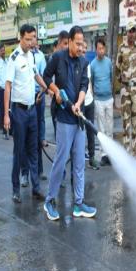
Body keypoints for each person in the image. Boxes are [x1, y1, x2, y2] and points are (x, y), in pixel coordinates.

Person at [43, 25, 97, 221]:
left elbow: (84, 85)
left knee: (79, 162)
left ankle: (79, 203)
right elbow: (46, 76)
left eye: (83, 43)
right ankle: (49, 201)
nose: (80, 47)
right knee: (60, 159)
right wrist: (56, 91)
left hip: (78, 117)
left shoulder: (83, 62)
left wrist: (78, 103)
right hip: (64, 119)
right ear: (70, 42)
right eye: (78, 43)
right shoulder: (58, 58)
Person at [3, 24, 48, 204]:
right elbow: (7, 86)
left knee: (34, 149)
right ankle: (16, 189)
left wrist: (46, 87)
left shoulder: (31, 57)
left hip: (32, 111)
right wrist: (6, 114)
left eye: (33, 39)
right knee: (19, 151)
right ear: (20, 38)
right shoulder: (13, 58)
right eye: (28, 39)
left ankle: (36, 188)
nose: (31, 42)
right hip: (18, 111)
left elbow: (36, 74)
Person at [115, 22, 136, 157]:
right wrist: (123, 83)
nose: (132, 33)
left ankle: (135, 152)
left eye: (133, 31)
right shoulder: (121, 48)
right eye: (129, 31)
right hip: (125, 89)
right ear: (126, 33)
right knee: (126, 121)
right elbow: (117, 68)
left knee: (135, 121)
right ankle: (126, 151)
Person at [90, 38, 113, 166]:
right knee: (101, 129)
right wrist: (94, 97)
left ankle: (110, 153)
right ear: (96, 49)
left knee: (109, 127)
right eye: (99, 49)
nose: (101, 51)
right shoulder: (92, 65)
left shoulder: (109, 62)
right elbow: (91, 82)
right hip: (98, 100)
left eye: (102, 48)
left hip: (109, 99)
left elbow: (111, 78)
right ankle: (103, 155)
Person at [82, 41, 99, 170]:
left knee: (91, 131)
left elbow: (89, 83)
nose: (84, 51)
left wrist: (92, 97)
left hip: (89, 102)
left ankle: (92, 158)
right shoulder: (76, 64)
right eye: (82, 48)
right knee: (79, 133)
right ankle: (79, 158)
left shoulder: (87, 63)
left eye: (85, 49)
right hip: (80, 104)